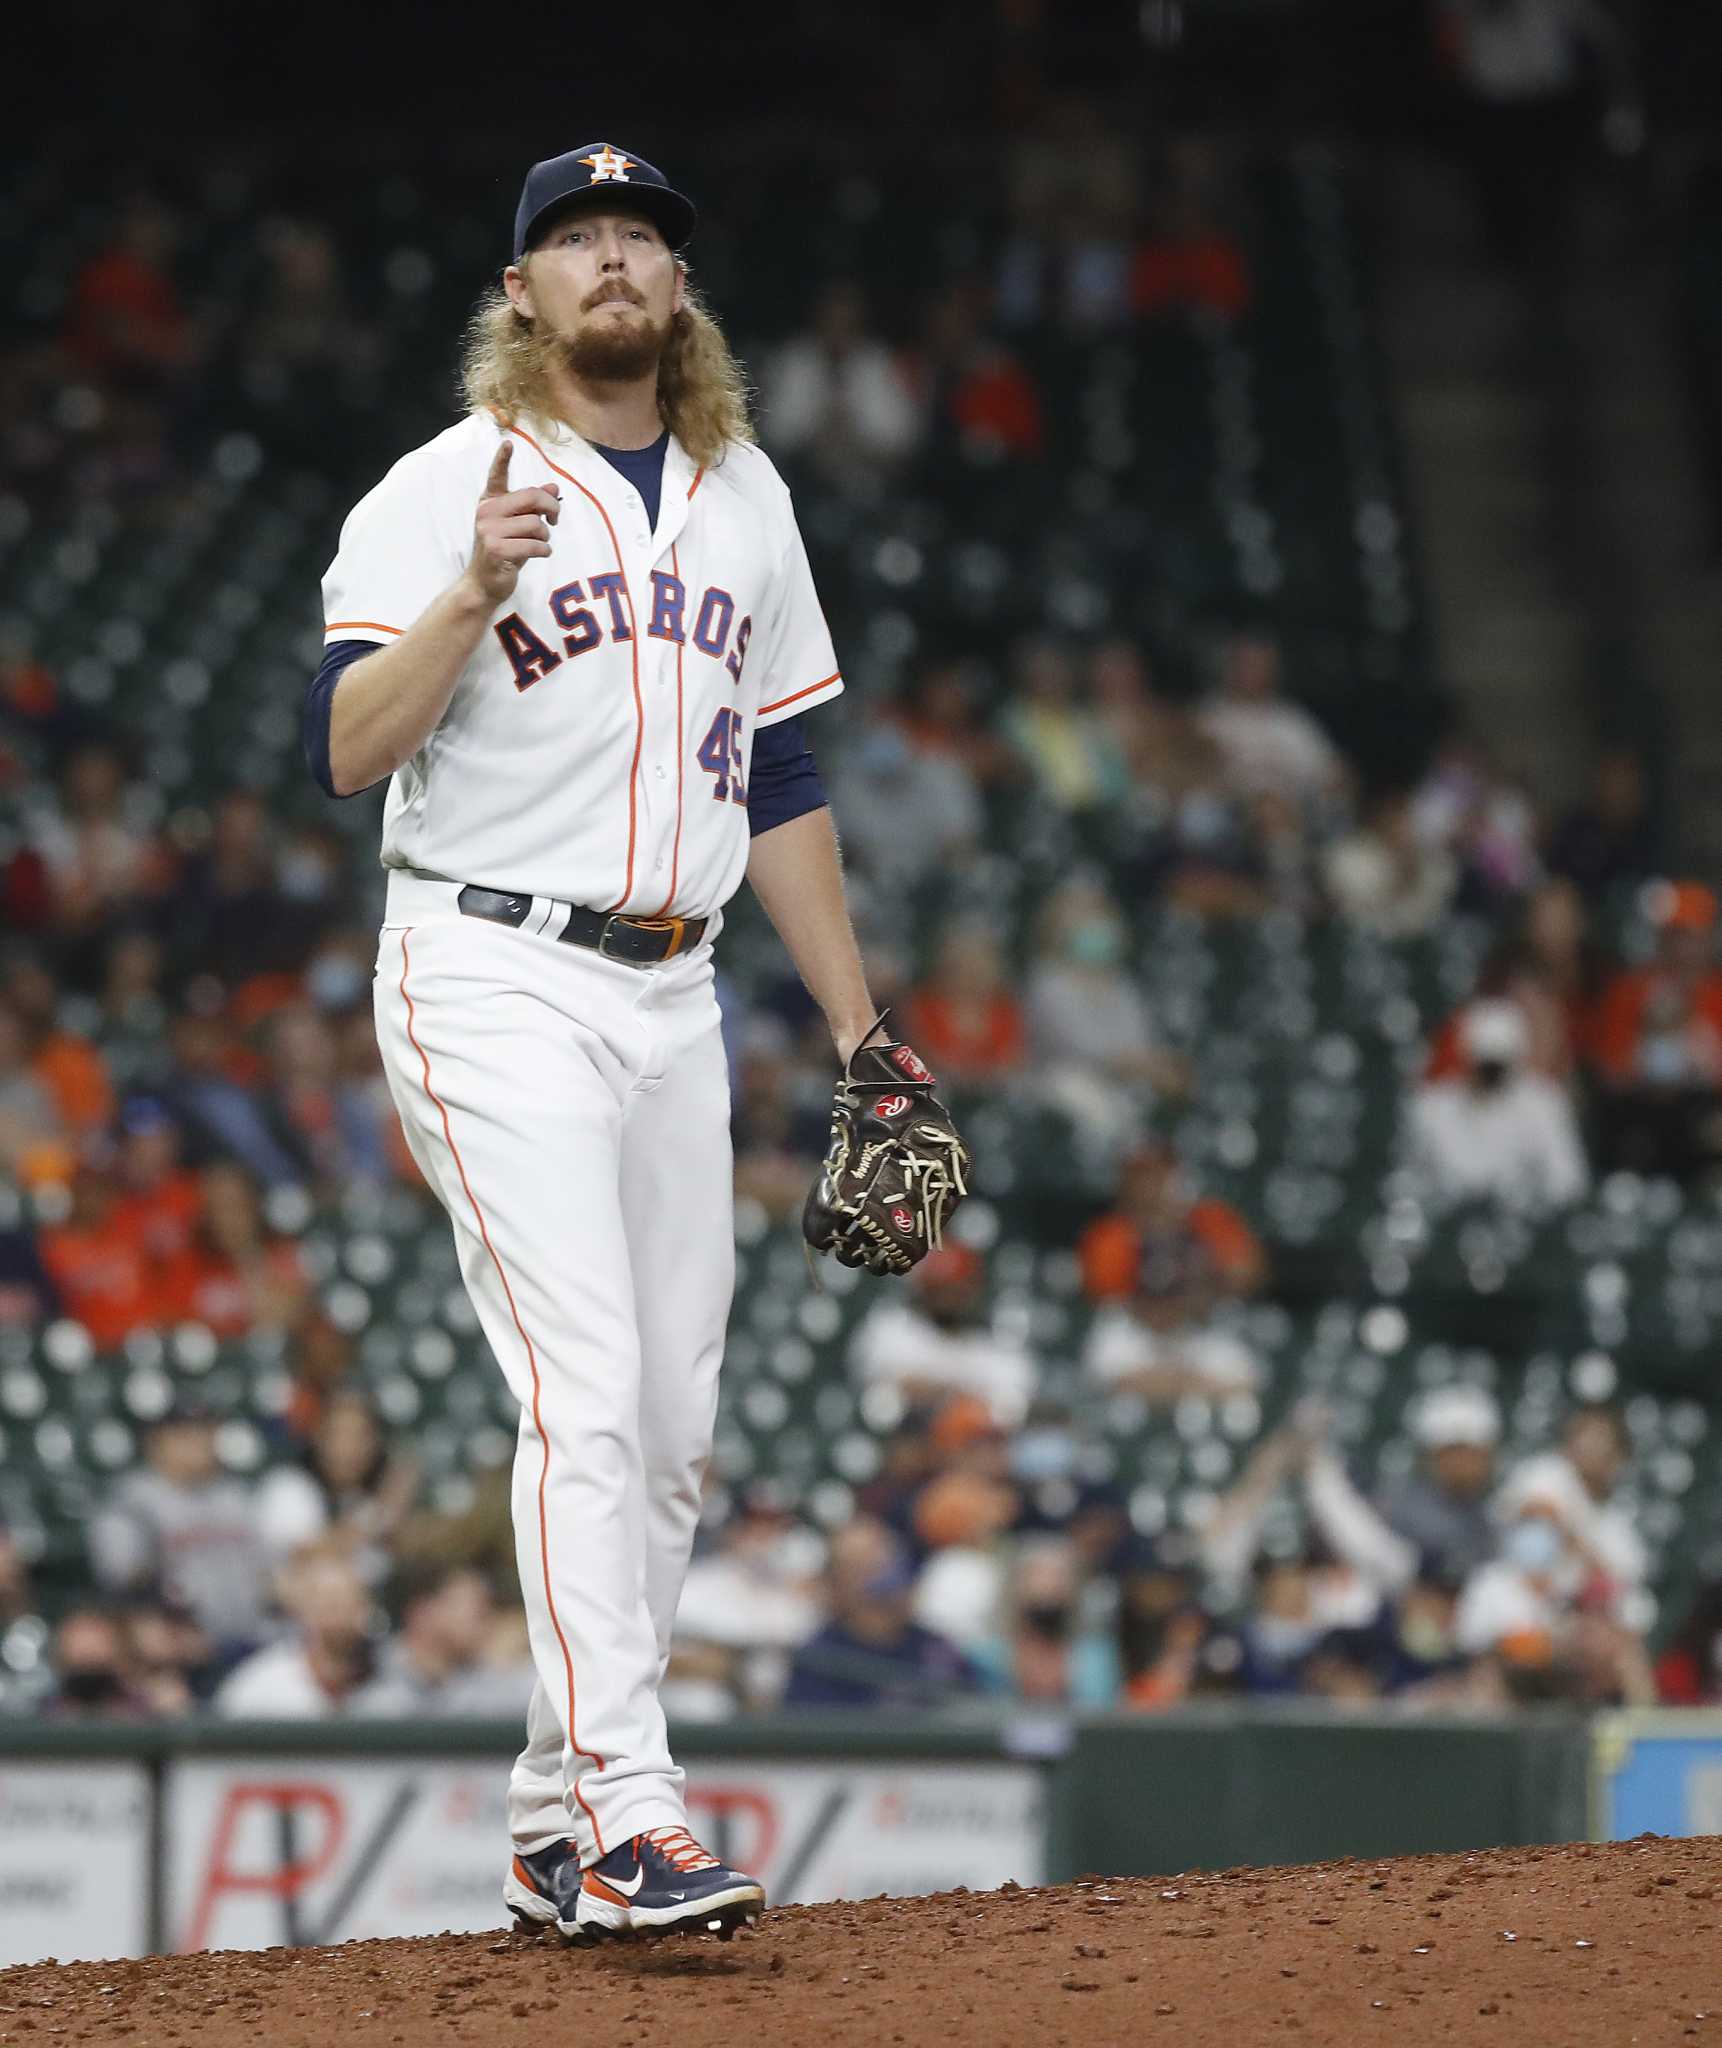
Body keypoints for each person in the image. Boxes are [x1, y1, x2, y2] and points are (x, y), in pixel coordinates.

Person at [308, 141, 965, 1944]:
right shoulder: (445, 486)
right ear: (519, 293)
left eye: (642, 240)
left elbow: (784, 770)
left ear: (677, 291)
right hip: (487, 962)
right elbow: (347, 747)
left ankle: (546, 1807)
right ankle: (628, 1808)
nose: (614, 261)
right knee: (584, 1385)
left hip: (675, 994)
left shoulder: (742, 494)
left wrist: (861, 1028)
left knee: (670, 1427)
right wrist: (466, 592)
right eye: (577, 239)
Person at [88, 1403, 270, 1656]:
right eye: (184, 1434)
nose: (198, 1442)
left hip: (253, 1643)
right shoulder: (132, 1502)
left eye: (204, 1432)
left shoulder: (236, 1495)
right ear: (156, 1443)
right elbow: (122, 1577)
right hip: (179, 1656)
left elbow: (269, 1572)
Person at [1405, 998, 1588, 1210]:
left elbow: (1568, 1181)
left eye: (1499, 1065)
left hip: (1520, 1220)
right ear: (1468, 1057)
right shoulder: (1432, 1107)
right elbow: (1412, 1177)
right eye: (1486, 1064)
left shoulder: (1545, 1105)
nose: (1492, 1075)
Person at [782, 1518, 979, 1710]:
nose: (884, 1572)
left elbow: (974, 1714)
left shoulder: (937, 1651)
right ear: (837, 1585)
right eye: (864, 1565)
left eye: (889, 1559)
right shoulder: (819, 1661)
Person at [848, 1243, 1036, 1426]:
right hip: (904, 1442)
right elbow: (877, 1398)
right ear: (924, 1286)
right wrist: (960, 1393)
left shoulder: (998, 1350)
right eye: (940, 1288)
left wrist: (932, 1391)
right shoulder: (891, 1330)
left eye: (957, 1290)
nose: (949, 1298)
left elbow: (1008, 1412)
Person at [254, 1385, 421, 1583]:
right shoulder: (287, 1487)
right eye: (339, 1434)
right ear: (318, 1437)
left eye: (361, 1436)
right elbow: (309, 1556)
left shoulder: (369, 1497)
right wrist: (383, 1512)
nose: (349, 1448)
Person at [1495, 1404, 1647, 1619]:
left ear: (1619, 1458)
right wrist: (1583, 1552)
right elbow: (1538, 1511)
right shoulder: (1547, 1471)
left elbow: (1618, 1581)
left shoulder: (1619, 1522)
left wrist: (1576, 1546)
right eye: (1584, 1434)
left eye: (1600, 1439)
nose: (1588, 1445)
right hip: (1512, 1592)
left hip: (1574, 1616)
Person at [1078, 1133, 1265, 1304]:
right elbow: (1105, 1297)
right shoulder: (1109, 1236)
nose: (1151, 1184)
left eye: (1160, 1172)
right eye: (1141, 1175)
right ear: (1125, 1181)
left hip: (1203, 1326)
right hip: (1137, 1331)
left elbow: (1245, 1276)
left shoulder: (1208, 1218)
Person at [213, 1542, 378, 1719]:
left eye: (347, 1602)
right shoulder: (260, 1688)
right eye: (326, 1603)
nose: (337, 1615)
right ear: (300, 1610)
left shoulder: (388, 1686)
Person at [352, 1562, 532, 1717]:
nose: (487, 1620)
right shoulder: (373, 1683)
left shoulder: (490, 1676)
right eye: (476, 1609)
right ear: (425, 1612)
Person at [1198, 631, 1342, 808]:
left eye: (1259, 664)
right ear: (1230, 667)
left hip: (1293, 812)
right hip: (1230, 811)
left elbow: (1330, 770)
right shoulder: (1210, 717)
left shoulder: (1292, 720)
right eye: (1245, 664)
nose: (1251, 672)